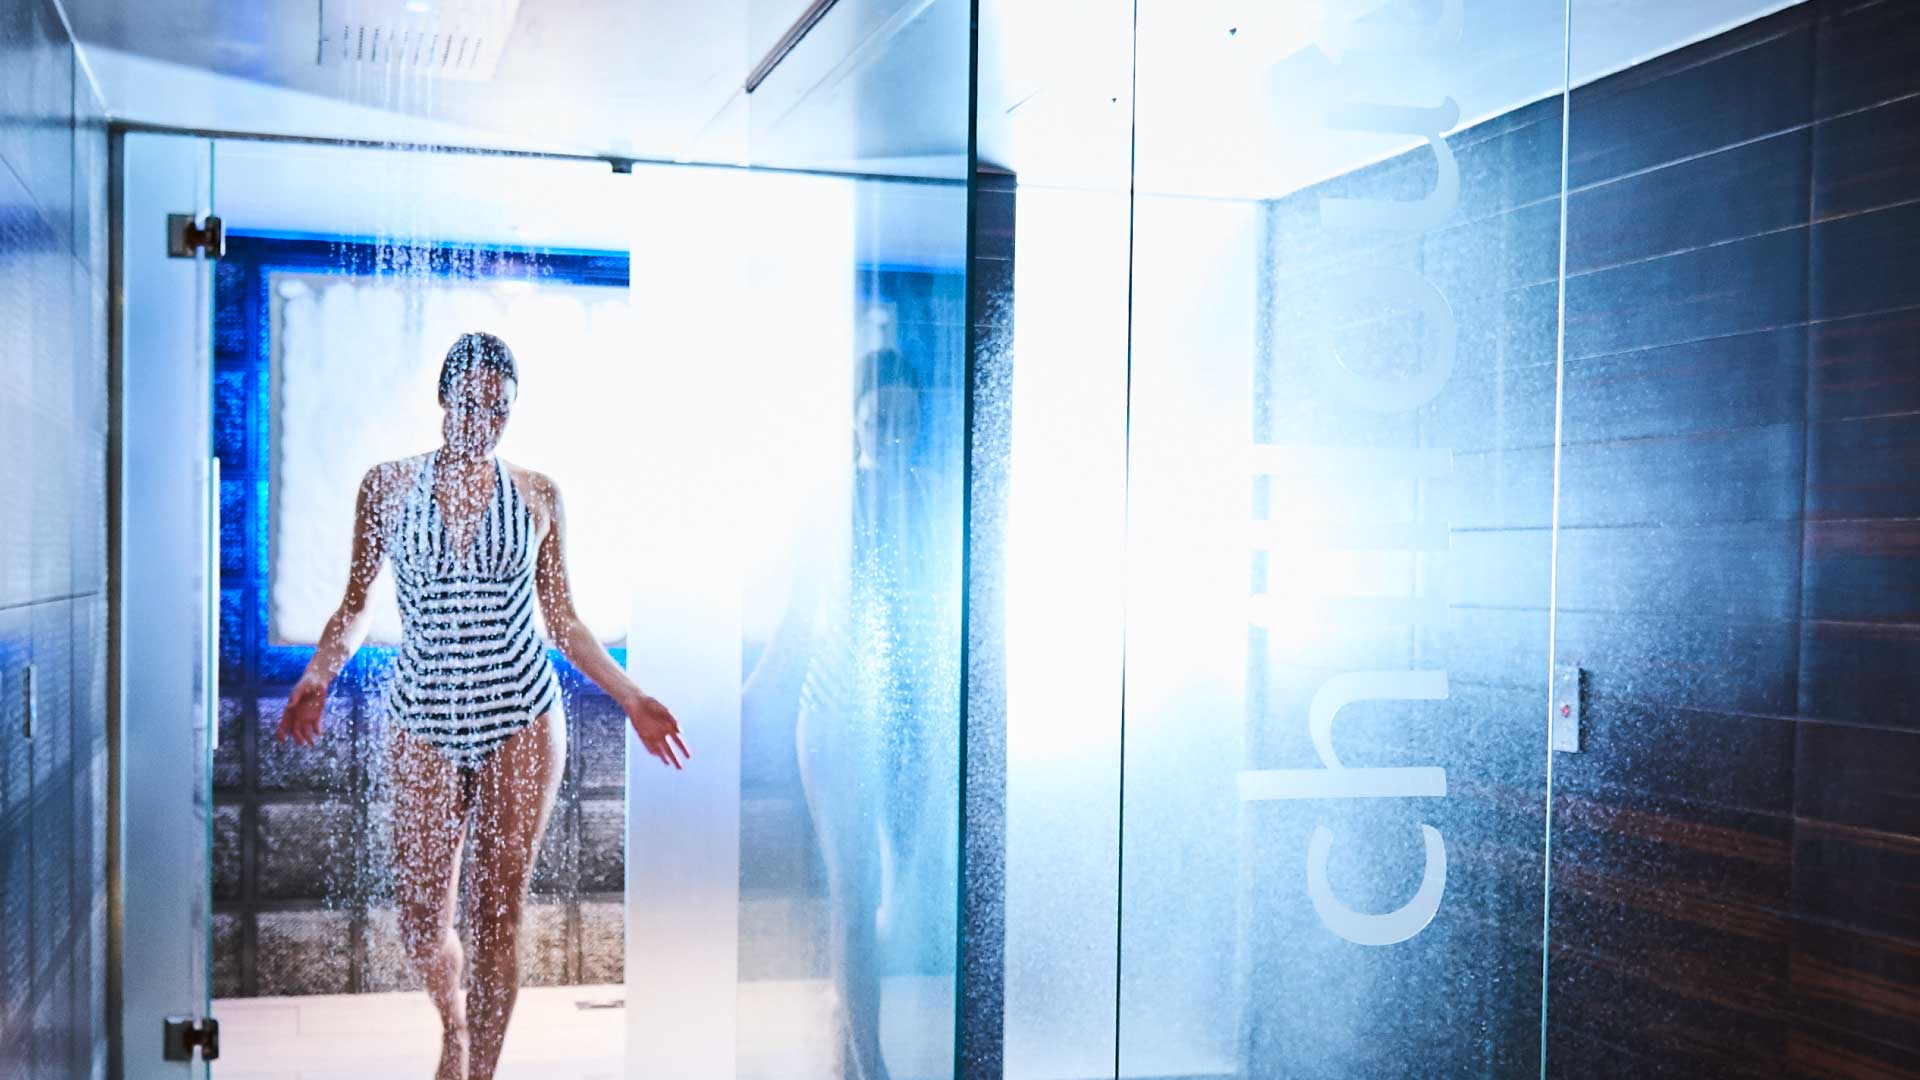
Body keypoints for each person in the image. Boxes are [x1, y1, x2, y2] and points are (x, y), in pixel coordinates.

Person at [276, 331, 688, 1080]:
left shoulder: (537, 493)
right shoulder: (387, 485)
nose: (483, 420)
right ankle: (455, 1026)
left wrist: (630, 696)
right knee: (421, 919)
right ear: (442, 399)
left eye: (499, 409)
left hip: (521, 714)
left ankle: (481, 1073)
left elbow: (561, 618)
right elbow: (356, 605)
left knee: (498, 912)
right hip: (425, 713)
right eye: (470, 403)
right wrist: (317, 676)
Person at [791, 345, 961, 1080]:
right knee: (855, 896)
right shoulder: (831, 501)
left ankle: (845, 1021)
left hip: (915, 711)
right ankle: (872, 1060)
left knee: (906, 887)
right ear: (856, 419)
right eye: (878, 415)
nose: (892, 428)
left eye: (905, 416)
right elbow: (801, 620)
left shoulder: (934, 494)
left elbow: (952, 614)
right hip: (837, 710)